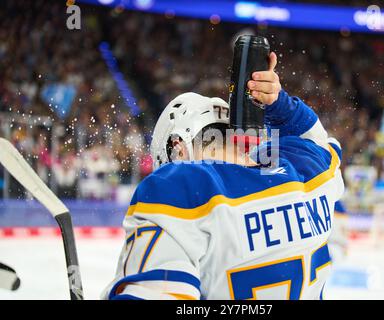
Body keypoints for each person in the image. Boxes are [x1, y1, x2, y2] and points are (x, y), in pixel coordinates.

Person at [102, 53, 345, 300]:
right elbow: (318, 141)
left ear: (178, 148)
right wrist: (278, 103)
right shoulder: (309, 168)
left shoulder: (181, 188)